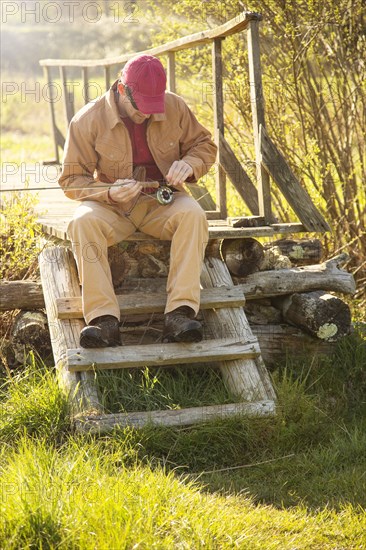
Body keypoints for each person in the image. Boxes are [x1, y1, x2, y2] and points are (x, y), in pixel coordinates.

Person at [59, 54, 217, 348]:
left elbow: (204, 145)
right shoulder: (87, 119)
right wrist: (106, 192)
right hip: (111, 207)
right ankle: (103, 320)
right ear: (122, 90)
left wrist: (190, 164)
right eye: (140, 106)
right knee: (81, 222)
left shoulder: (176, 106)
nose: (146, 113)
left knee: (194, 215)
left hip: (162, 202)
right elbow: (71, 180)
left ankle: (180, 315)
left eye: (152, 106)